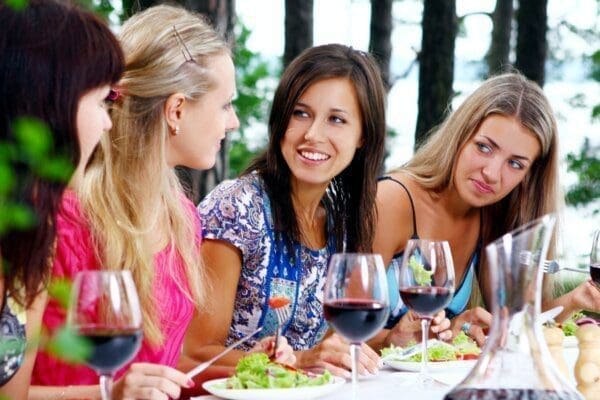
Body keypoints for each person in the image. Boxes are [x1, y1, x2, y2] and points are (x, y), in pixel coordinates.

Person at [29, 5, 290, 399]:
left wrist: (246, 371)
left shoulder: (183, 219)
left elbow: (162, 371)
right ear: (177, 110)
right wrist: (106, 395)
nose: (233, 121)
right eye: (225, 105)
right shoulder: (62, 222)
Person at [184, 44, 450, 378]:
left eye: (336, 119)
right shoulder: (237, 208)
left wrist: (391, 339)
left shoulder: (341, 224)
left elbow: (323, 345)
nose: (312, 134)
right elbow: (192, 356)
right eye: (300, 113)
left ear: (363, 136)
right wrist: (298, 361)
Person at [374, 72, 600, 346]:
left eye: (515, 164)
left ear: (529, 176)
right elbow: (331, 334)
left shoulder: (490, 215)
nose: (492, 174)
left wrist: (577, 300)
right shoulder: (394, 200)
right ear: (461, 135)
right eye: (484, 147)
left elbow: (515, 325)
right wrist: (391, 340)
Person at [0, 1, 124, 397]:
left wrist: (111, 393)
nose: (107, 122)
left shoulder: (32, 231)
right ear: (47, 100)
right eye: (101, 100)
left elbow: (12, 393)